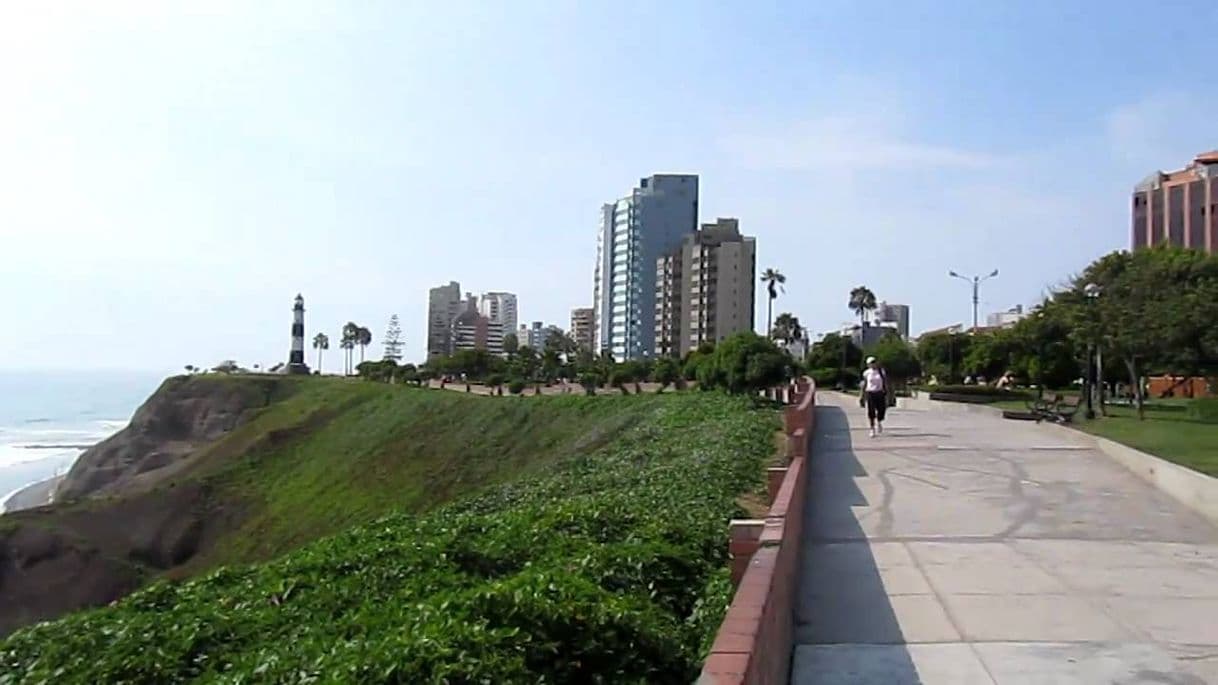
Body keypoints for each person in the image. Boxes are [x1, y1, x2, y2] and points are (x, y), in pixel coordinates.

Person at [859, 356, 889, 438]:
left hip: (880, 393)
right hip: (870, 393)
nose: (873, 364)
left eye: (874, 362)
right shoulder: (866, 373)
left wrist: (887, 393)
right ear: (868, 364)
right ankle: (872, 429)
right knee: (871, 411)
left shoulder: (881, 372)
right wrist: (862, 395)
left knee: (881, 410)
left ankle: (879, 422)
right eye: (871, 363)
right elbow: (864, 384)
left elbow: (885, 382)